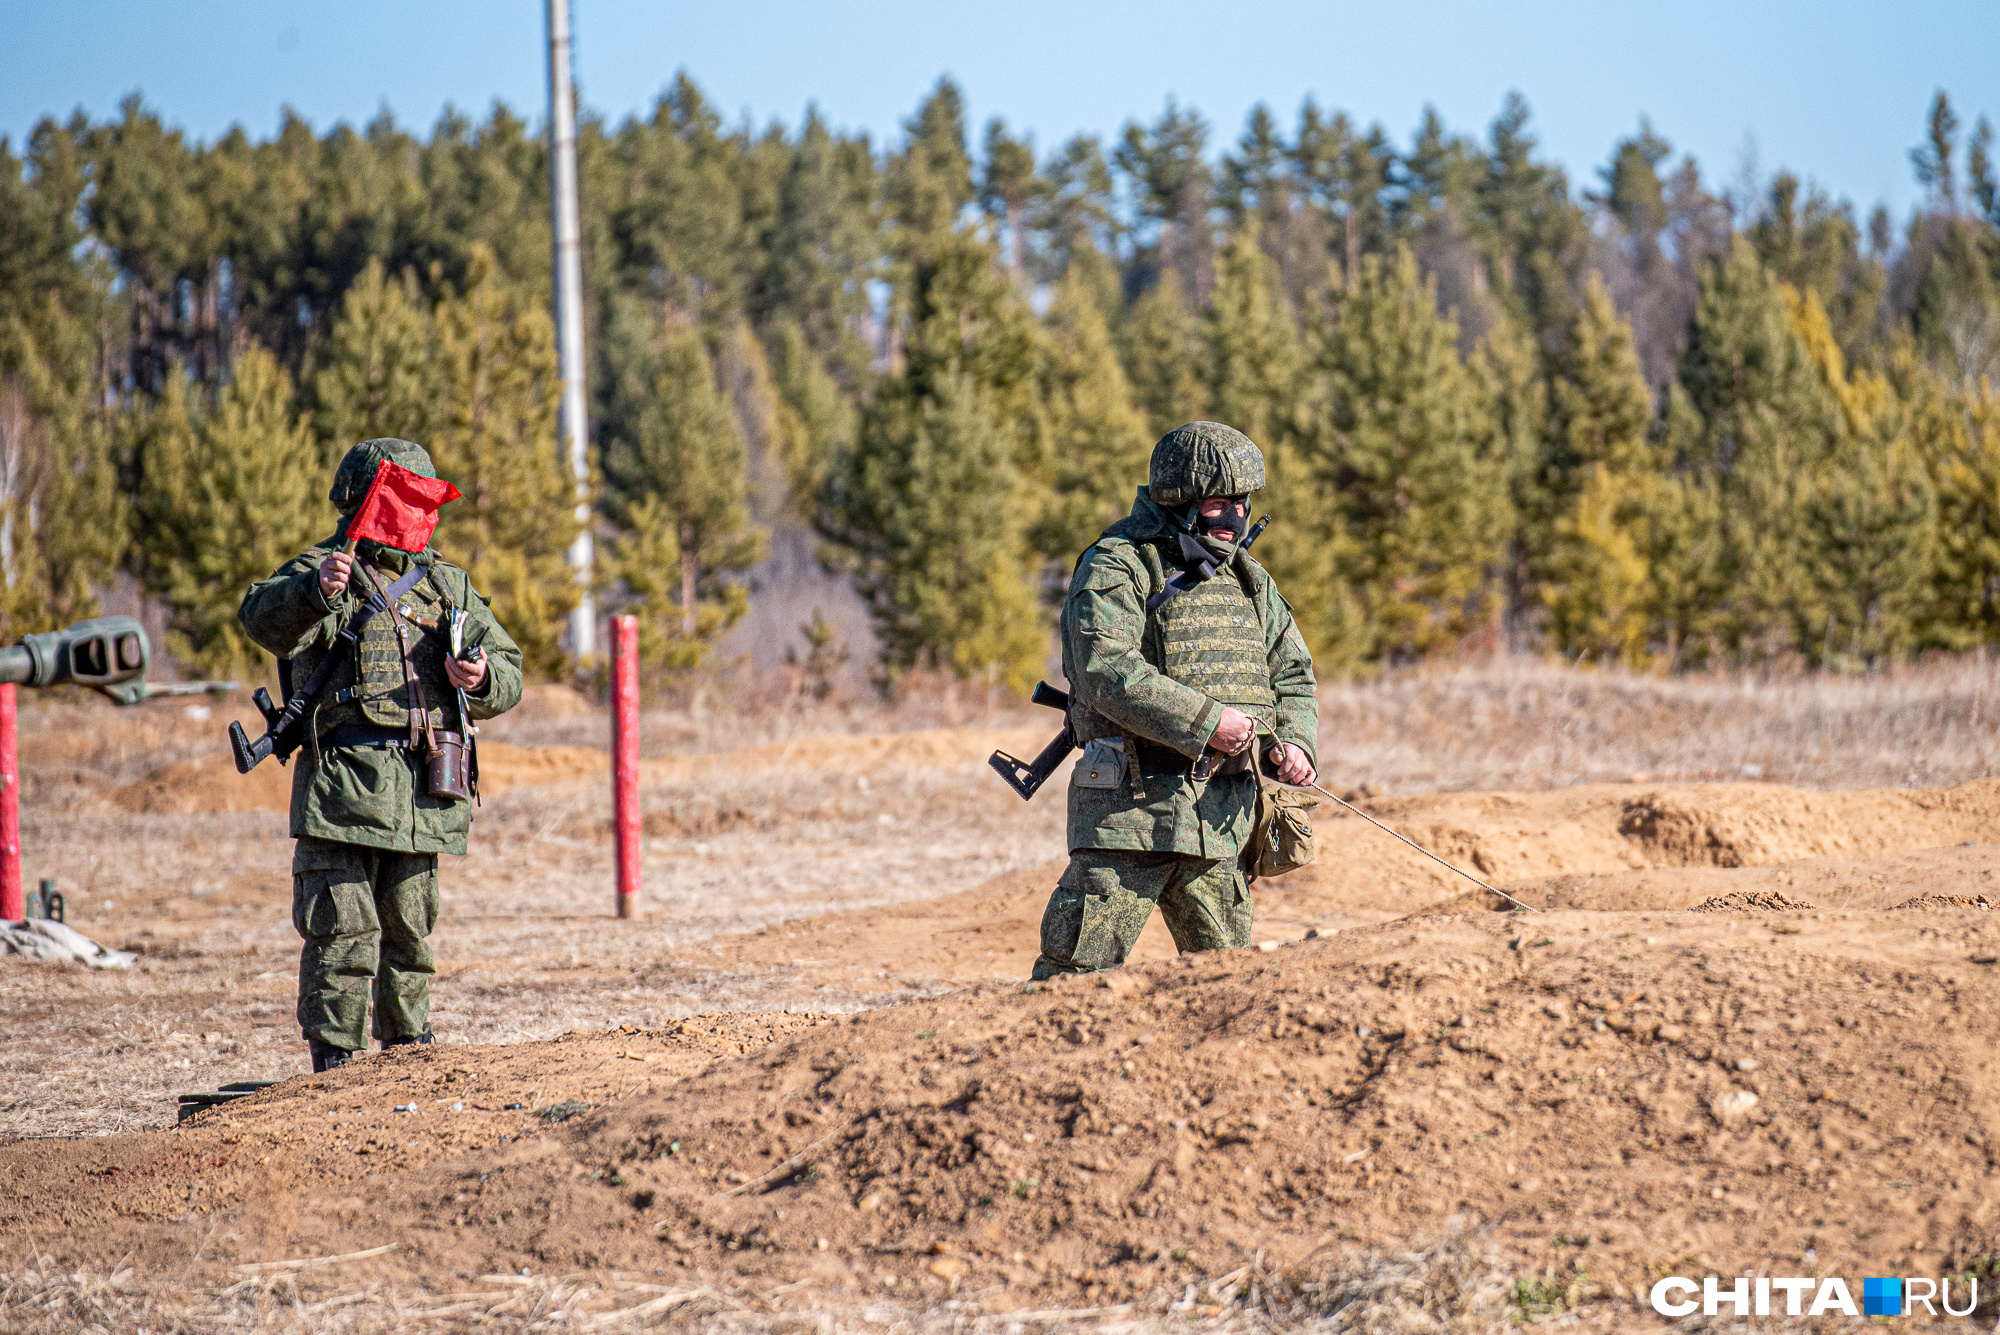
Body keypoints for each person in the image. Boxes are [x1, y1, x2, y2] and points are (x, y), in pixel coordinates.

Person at [239, 438, 522, 1072]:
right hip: (342, 788)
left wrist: (478, 678)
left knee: (410, 932)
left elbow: (509, 666)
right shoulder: (326, 568)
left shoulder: (448, 583)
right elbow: (259, 618)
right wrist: (316, 592)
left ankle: (407, 1057)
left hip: (425, 790)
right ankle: (335, 1066)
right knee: (342, 932)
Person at [1031, 421, 1319, 979]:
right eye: (1219, 502)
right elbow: (1103, 669)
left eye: (1243, 501)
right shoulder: (1118, 564)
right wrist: (1209, 722)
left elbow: (1293, 673)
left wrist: (1296, 744)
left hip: (1220, 820)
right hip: (1128, 816)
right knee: (1072, 981)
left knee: (1228, 991)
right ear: (1181, 500)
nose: (1235, 516)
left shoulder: (1249, 581)